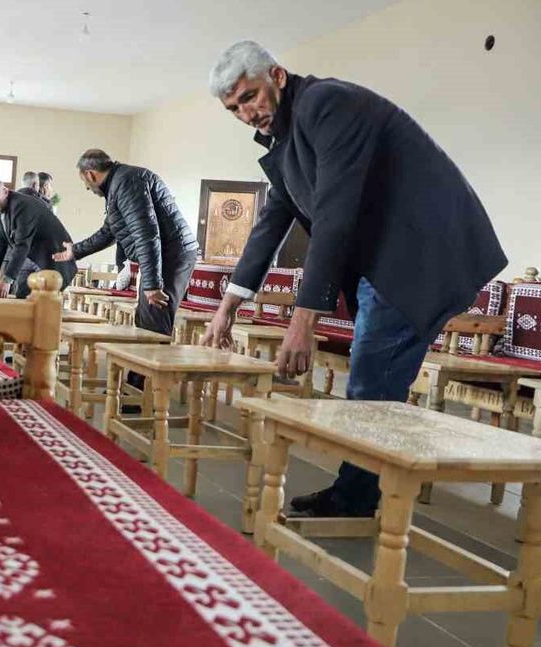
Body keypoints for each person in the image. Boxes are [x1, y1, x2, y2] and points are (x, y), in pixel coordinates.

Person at [200, 40, 507, 518]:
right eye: (233, 108)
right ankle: (359, 492)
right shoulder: (288, 137)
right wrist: (227, 307)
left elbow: (334, 214)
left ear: (277, 76)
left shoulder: (327, 103)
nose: (246, 114)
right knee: (373, 377)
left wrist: (304, 321)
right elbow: (271, 222)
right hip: (385, 257)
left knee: (372, 378)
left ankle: (357, 500)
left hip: (418, 253)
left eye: (249, 97)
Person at [52, 149, 197, 337]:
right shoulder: (119, 182)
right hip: (164, 253)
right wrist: (76, 251)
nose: (87, 188)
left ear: (90, 174)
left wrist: (152, 284)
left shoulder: (126, 182)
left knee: (153, 323)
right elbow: (109, 231)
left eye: (85, 183)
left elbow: (145, 233)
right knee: (145, 321)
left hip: (170, 253)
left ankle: (151, 357)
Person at [0, 179, 77, 298]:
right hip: (30, 256)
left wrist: (7, 279)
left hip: (52, 257)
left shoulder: (22, 205)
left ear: (5, 191)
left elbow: (22, 245)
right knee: (21, 298)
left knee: (44, 302)